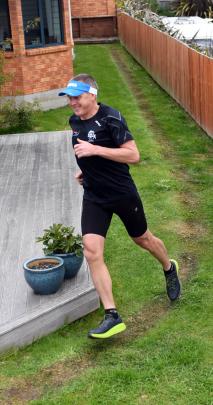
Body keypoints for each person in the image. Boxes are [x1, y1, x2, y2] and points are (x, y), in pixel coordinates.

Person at [58, 73, 181, 339]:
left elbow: (133, 154)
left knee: (144, 239)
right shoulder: (74, 121)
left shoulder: (111, 118)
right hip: (94, 195)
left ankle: (169, 268)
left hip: (121, 193)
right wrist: (86, 171)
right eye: (69, 97)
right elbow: (84, 150)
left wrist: (95, 151)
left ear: (92, 94)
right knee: (92, 251)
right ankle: (112, 315)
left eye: (76, 97)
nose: (72, 103)